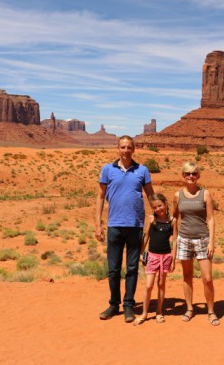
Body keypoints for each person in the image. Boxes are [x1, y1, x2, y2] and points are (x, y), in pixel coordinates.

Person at [95, 135, 154, 323]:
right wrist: (98, 224)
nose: (126, 150)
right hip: (114, 225)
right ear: (118, 149)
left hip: (135, 226)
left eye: (129, 147)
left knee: (131, 268)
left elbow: (151, 195)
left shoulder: (142, 170)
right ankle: (114, 304)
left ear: (134, 149)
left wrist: (159, 217)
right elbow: (100, 198)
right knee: (113, 269)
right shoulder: (107, 170)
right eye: (123, 147)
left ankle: (128, 305)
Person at [172, 162, 220, 326]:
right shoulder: (177, 196)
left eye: (194, 173)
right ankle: (190, 308)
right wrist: (175, 240)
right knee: (187, 276)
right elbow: (174, 219)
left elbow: (211, 219)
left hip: (202, 239)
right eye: (187, 173)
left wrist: (211, 242)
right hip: (184, 239)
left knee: (207, 278)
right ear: (183, 175)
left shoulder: (205, 194)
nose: (190, 176)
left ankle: (211, 310)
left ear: (198, 175)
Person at [133, 193, 178, 325]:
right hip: (152, 256)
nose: (158, 209)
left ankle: (159, 312)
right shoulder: (152, 220)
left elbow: (175, 240)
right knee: (148, 286)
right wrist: (142, 253)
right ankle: (144, 313)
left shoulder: (172, 221)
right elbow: (146, 237)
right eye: (155, 207)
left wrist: (173, 259)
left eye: (160, 205)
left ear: (165, 204)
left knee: (161, 284)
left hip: (166, 256)